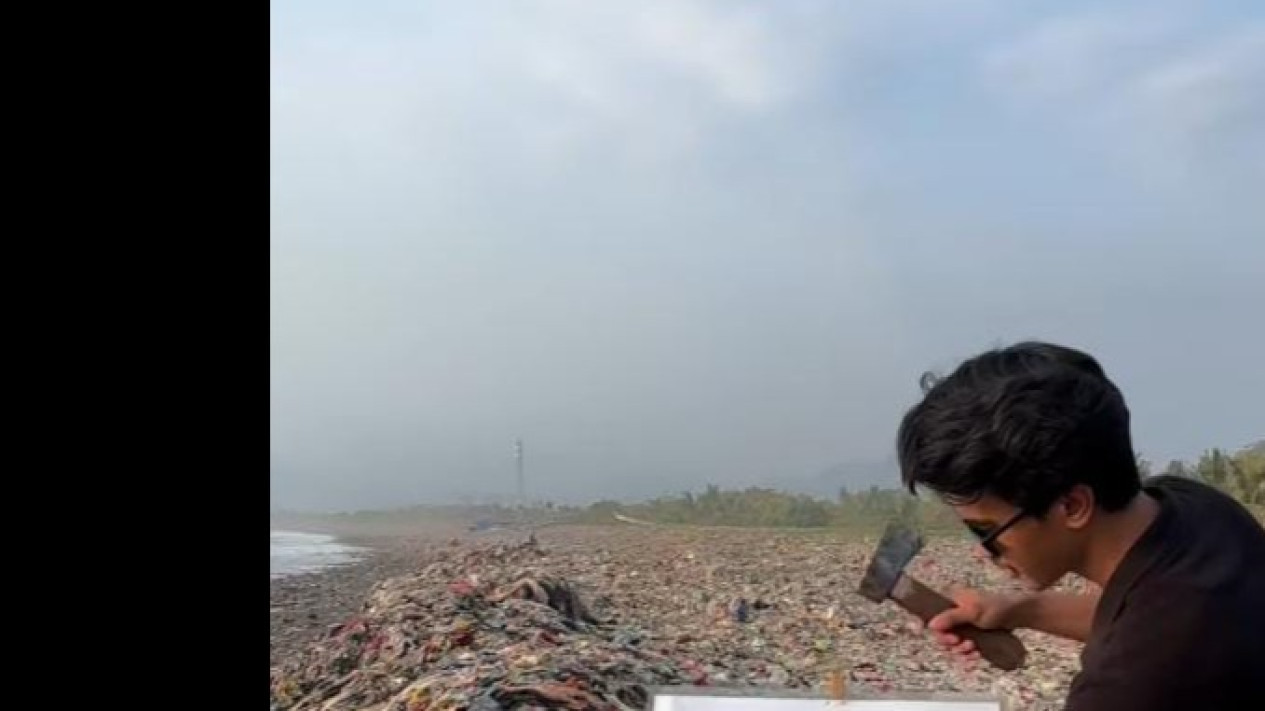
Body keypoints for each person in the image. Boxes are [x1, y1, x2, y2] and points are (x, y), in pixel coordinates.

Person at [895, 341, 1265, 710]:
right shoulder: (1198, 510)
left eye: (985, 531)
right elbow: (1147, 616)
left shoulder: (1128, 685)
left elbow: (1154, 639)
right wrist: (1019, 609)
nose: (982, 551)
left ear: (1072, 506)